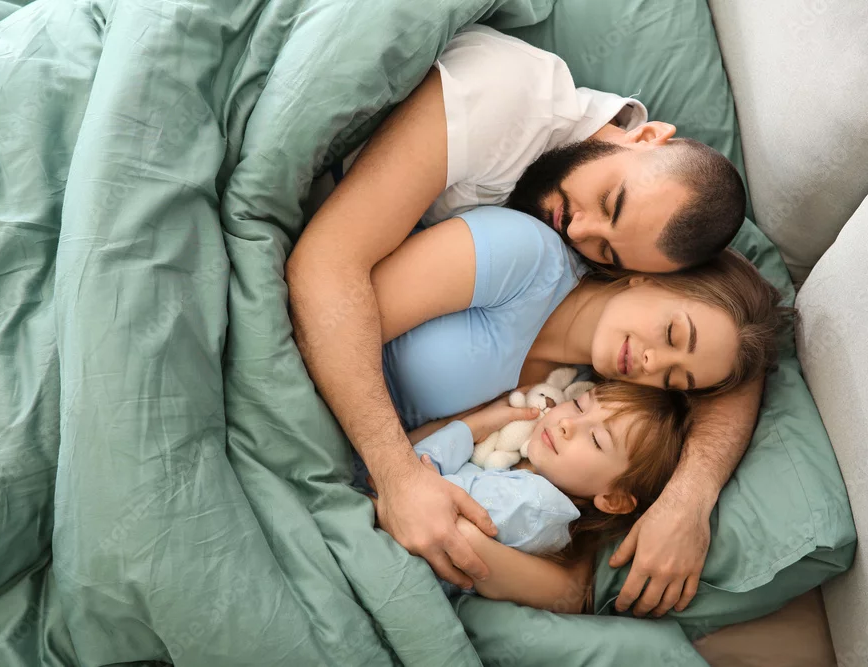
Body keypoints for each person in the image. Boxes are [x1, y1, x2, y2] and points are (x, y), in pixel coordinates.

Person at [287, 25, 759, 617]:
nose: (582, 231)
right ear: (653, 280)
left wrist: (688, 500)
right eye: (670, 336)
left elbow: (742, 358)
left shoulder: (579, 387)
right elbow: (321, 294)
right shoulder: (527, 225)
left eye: (671, 377)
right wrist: (399, 476)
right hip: (307, 381)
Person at [400, 381, 691, 613]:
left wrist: (469, 428)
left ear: (613, 499)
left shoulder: (533, 503)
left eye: (596, 440)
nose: (568, 423)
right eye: (579, 404)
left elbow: (417, 489)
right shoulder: (519, 467)